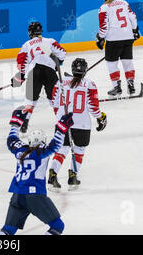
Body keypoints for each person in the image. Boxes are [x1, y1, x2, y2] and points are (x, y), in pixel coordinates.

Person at [0, 106, 74, 235]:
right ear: (43, 141)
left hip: (17, 195)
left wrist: (16, 123)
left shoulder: (20, 150)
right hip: (35, 196)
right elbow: (56, 145)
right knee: (57, 226)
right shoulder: (41, 153)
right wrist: (62, 127)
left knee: (8, 230)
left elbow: (11, 140)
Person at [48, 58, 107, 190]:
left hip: (63, 122)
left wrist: (60, 117)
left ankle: (52, 176)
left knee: (62, 149)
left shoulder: (60, 82)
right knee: (79, 150)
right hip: (82, 124)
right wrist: (101, 117)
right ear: (85, 71)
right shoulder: (89, 84)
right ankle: (73, 177)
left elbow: (54, 103)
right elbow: (93, 107)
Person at [10, 22, 67, 133]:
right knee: (55, 99)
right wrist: (57, 63)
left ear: (30, 32)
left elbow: (22, 62)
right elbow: (62, 53)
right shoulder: (50, 41)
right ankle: (61, 123)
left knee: (30, 100)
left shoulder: (27, 44)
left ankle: (24, 122)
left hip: (34, 73)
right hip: (50, 72)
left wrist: (21, 76)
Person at [96, 0, 139, 97]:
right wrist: (134, 30)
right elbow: (133, 17)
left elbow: (104, 28)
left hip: (114, 39)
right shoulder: (124, 3)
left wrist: (100, 38)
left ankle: (116, 87)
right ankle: (131, 86)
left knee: (112, 64)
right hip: (128, 37)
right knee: (127, 62)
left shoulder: (104, 8)